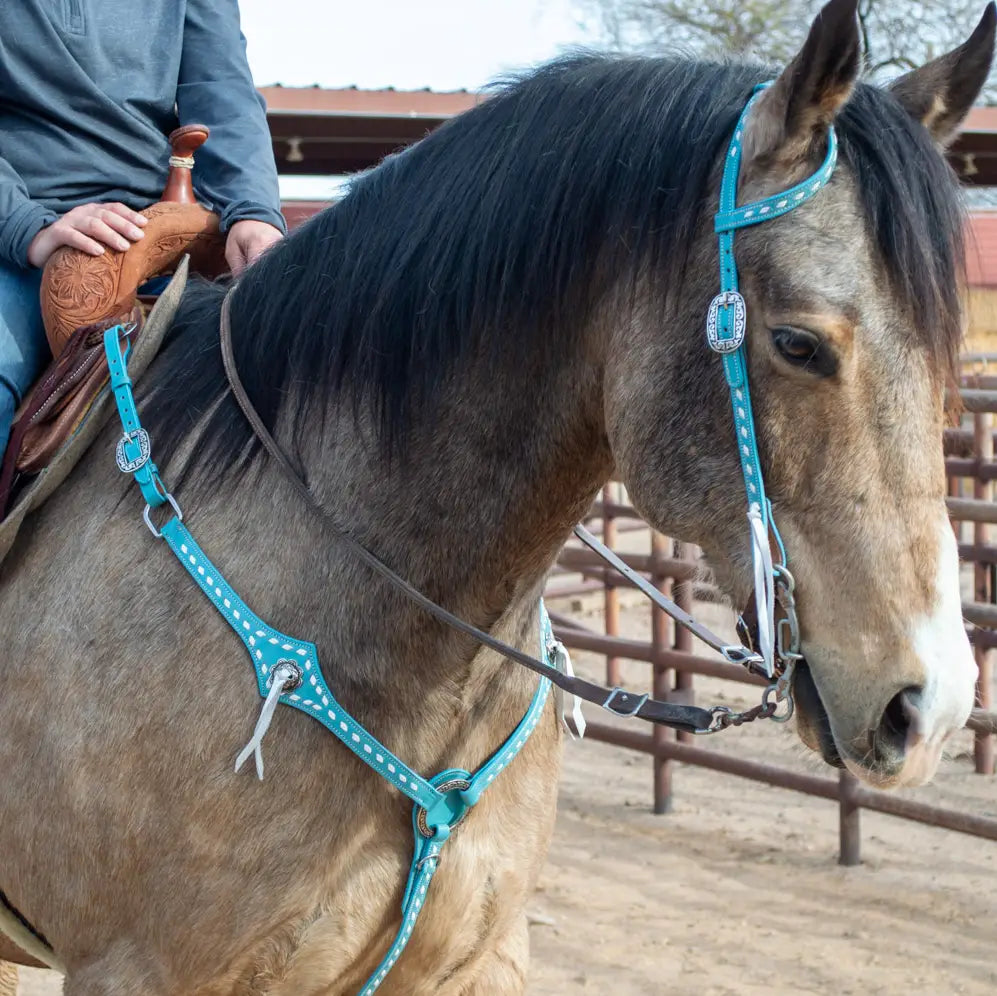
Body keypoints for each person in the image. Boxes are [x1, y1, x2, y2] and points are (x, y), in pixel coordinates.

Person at [0, 1, 286, 457]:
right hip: (21, 238)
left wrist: (253, 211)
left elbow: (221, 92)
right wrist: (28, 228)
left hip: (156, 230)